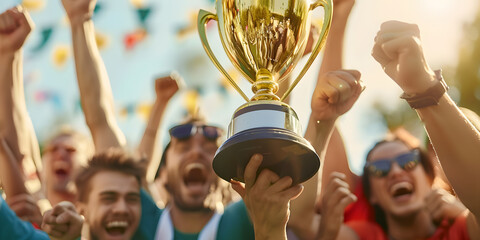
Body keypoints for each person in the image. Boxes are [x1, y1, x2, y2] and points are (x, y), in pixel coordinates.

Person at [371, 20, 480, 224]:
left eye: (408, 161)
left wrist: (424, 85)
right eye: (380, 168)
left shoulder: (460, 229)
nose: (395, 172)